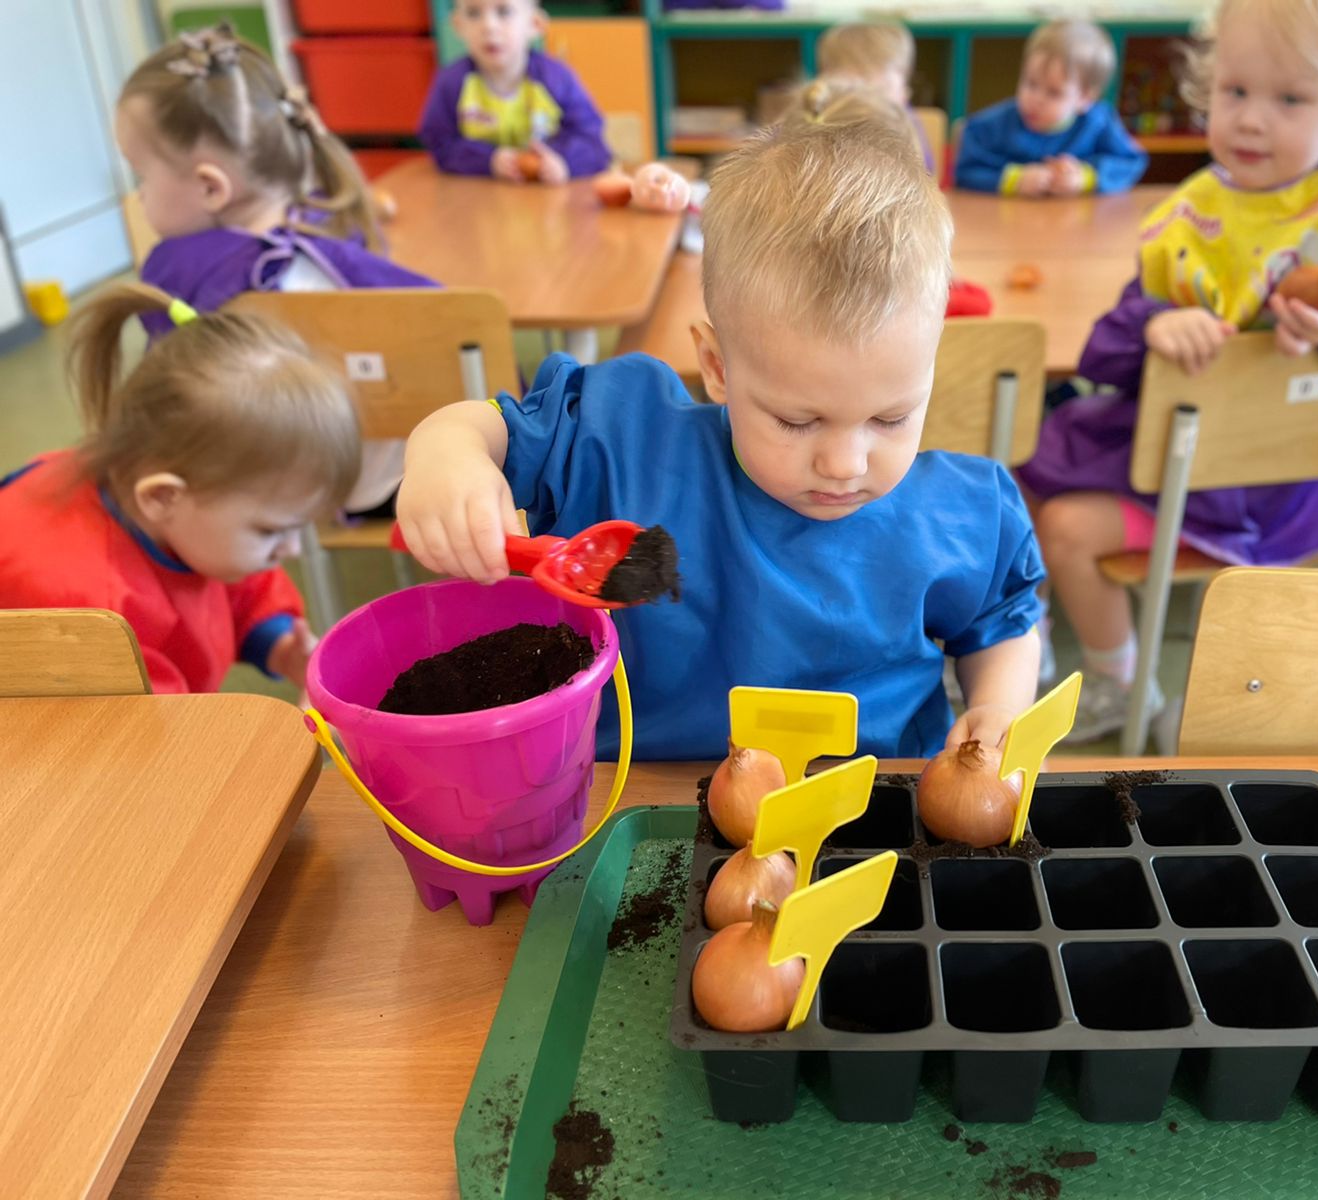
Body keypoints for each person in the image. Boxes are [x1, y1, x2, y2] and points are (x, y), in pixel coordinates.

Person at [394, 83, 1045, 761]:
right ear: (718, 367)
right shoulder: (624, 445)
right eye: (797, 420)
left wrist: (997, 706)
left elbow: (999, 625)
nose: (846, 463)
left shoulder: (955, 516)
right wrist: (446, 453)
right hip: (634, 803)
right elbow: (486, 430)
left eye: (891, 416)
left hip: (873, 812)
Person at [1017, 0, 1318, 742]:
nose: (1253, 120)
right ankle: (1093, 669)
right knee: (1036, 485)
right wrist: (1157, 324)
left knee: (1059, 510)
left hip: (1293, 492)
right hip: (1185, 472)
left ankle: (1148, 684)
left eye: (1290, 98)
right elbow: (1108, 352)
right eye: (1235, 92)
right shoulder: (1188, 213)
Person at [117, 25, 435, 519]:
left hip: (298, 486)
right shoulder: (330, 229)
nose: (139, 195)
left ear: (210, 188)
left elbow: (176, 420)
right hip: (418, 468)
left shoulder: (208, 279)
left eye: (142, 175)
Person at [0, 284, 360, 694]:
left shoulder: (187, 502)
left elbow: (244, 585)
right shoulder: (86, 614)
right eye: (270, 531)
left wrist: (277, 643)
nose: (292, 549)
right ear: (161, 497)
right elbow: (149, 739)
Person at [420, 0, 609, 183]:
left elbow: (592, 141)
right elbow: (440, 144)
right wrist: (487, 161)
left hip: (548, 198)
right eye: (473, 13)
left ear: (534, 24)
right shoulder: (451, 83)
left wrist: (564, 162)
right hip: (480, 200)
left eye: (504, 11)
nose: (488, 26)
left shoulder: (558, 79)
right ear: (458, 25)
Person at [955, 19, 1147, 196]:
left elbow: (1131, 162)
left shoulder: (1098, 123)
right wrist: (1014, 180)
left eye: (1054, 93)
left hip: (1075, 226)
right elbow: (965, 171)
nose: (1036, 99)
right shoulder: (992, 125)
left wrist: (1085, 178)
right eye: (1031, 83)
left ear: (1084, 98)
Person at [817, 21, 935, 172]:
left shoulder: (903, 121)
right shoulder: (815, 114)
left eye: (877, 90)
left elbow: (924, 173)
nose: (866, 104)